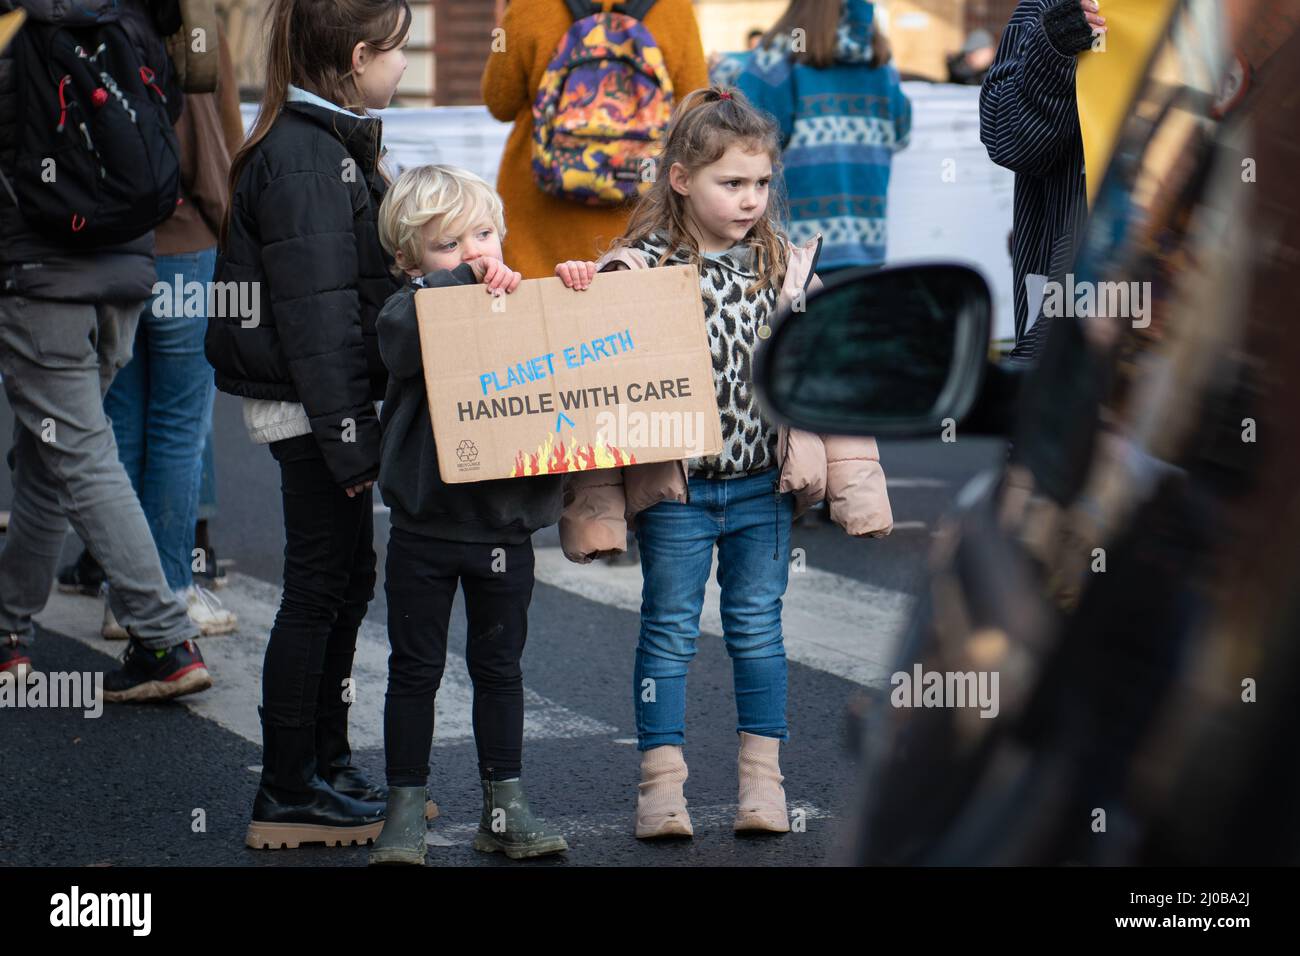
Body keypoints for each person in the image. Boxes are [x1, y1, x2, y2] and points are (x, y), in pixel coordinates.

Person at [555, 87, 893, 839]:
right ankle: (660, 787)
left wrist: (858, 491)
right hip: (676, 493)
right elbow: (596, 394)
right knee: (669, 631)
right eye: (731, 183)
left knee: (758, 632)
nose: (750, 200)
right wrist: (581, 289)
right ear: (680, 179)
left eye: (761, 183)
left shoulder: (784, 268)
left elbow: (827, 381)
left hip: (760, 492)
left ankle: (762, 786)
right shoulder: (634, 270)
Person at [206, 0, 411, 850]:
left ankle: (324, 764)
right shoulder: (304, 160)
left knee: (343, 584)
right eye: (397, 51)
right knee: (318, 590)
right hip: (316, 411)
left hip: (324, 409)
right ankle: (290, 786)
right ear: (360, 57)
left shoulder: (320, 144)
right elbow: (319, 320)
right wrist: (352, 439)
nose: (402, 65)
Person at [0, 0, 211, 702]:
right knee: (51, 454)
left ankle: (162, 637)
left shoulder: (17, 33)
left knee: (81, 454)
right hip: (124, 273)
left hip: (42, 279)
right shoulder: (127, 20)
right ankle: (9, 634)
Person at [366, 165, 568, 865]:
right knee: (415, 670)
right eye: (448, 245)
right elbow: (401, 340)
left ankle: (504, 805)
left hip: (503, 528)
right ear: (407, 260)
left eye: (483, 234)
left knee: (500, 667)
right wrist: (454, 286)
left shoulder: (517, 299)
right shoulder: (407, 309)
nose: (474, 253)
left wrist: (567, 285)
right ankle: (403, 809)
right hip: (425, 529)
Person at [480, 0, 709, 280]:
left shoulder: (529, 5)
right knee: (625, 319)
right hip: (635, 227)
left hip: (538, 219)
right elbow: (695, 109)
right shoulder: (674, 8)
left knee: (539, 317)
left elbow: (499, 101)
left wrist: (502, 25)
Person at [736, 0, 910, 273]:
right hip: (867, 240)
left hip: (795, 244)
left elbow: (743, 133)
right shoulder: (880, 60)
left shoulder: (782, 54)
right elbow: (902, 132)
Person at [979, 0, 1106, 360]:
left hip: (1184, 305)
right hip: (1062, 316)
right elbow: (1006, 138)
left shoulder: (1215, 19)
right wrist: (1053, 48)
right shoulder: (1048, 7)